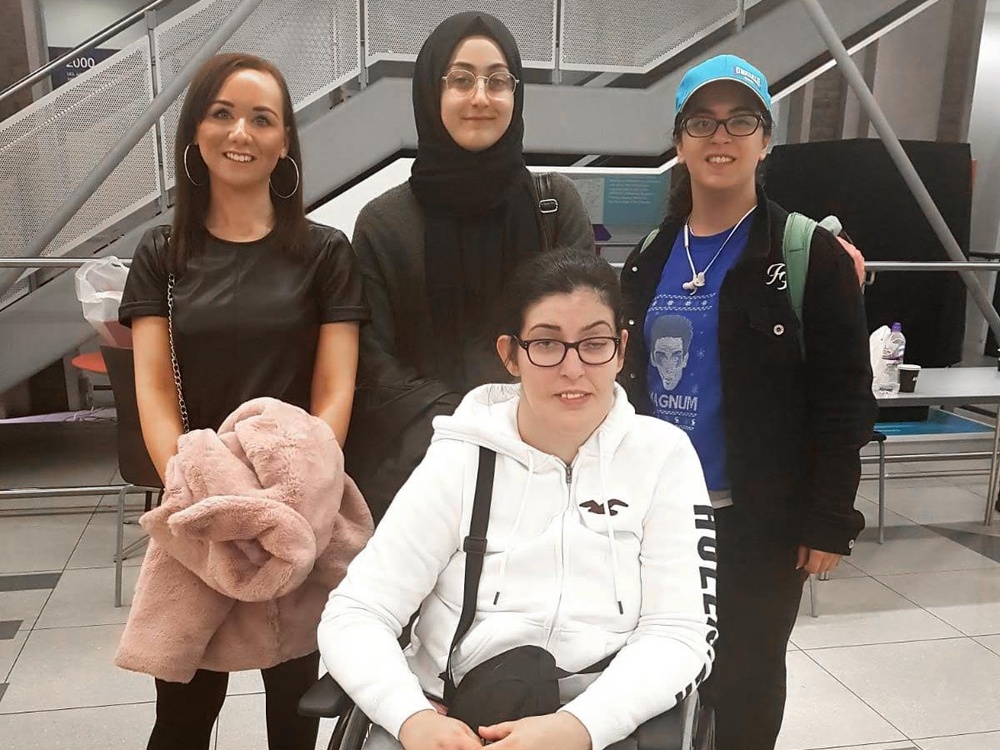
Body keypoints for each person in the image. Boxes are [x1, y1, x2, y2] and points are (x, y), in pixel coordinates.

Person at [319, 249, 716, 750]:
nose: (573, 368)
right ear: (510, 355)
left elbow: (680, 631)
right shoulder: (461, 455)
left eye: (593, 343)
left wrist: (580, 727)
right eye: (547, 343)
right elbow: (356, 612)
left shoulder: (662, 456)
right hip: (453, 714)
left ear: (620, 350)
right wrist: (411, 717)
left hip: (602, 718)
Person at [619, 54, 876, 750]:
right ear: (679, 142)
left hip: (758, 520)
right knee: (655, 673)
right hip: (659, 518)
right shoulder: (649, 254)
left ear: (765, 141)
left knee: (748, 677)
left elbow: (844, 396)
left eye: (740, 120)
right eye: (702, 121)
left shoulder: (810, 255)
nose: (720, 135)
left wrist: (829, 519)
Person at [117, 52, 368, 750]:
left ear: (285, 141)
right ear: (195, 131)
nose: (241, 132)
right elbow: (152, 386)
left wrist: (297, 486)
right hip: (193, 508)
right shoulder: (162, 253)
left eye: (263, 119)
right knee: (183, 717)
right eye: (223, 113)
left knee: (295, 713)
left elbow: (335, 386)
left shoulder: (324, 253)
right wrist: (193, 478)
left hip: (296, 510)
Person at [345, 11, 595, 523]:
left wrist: (514, 434)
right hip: (419, 478)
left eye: (497, 80)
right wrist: (471, 433)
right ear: (429, 93)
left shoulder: (555, 207)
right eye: (460, 79)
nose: (480, 96)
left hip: (542, 472)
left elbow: (584, 338)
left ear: (516, 95)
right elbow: (373, 364)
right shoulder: (384, 224)